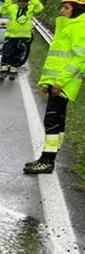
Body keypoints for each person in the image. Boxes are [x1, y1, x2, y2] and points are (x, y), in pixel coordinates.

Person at [25, 0, 85, 174]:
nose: (61, 10)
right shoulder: (67, 24)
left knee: (52, 120)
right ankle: (48, 158)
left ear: (77, 9)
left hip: (64, 83)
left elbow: (80, 59)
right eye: (62, 7)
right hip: (58, 81)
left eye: (66, 8)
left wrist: (60, 82)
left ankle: (47, 160)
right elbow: (57, 59)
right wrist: (46, 82)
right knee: (57, 120)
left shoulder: (79, 26)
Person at [0, 0, 44, 78]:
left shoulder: (31, 9)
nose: (22, 3)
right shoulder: (12, 8)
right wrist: (8, 1)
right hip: (10, 35)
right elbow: (2, 10)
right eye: (20, 1)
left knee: (17, 53)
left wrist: (33, 1)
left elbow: (40, 8)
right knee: (6, 52)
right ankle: (3, 69)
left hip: (23, 36)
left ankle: (13, 70)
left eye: (24, 2)